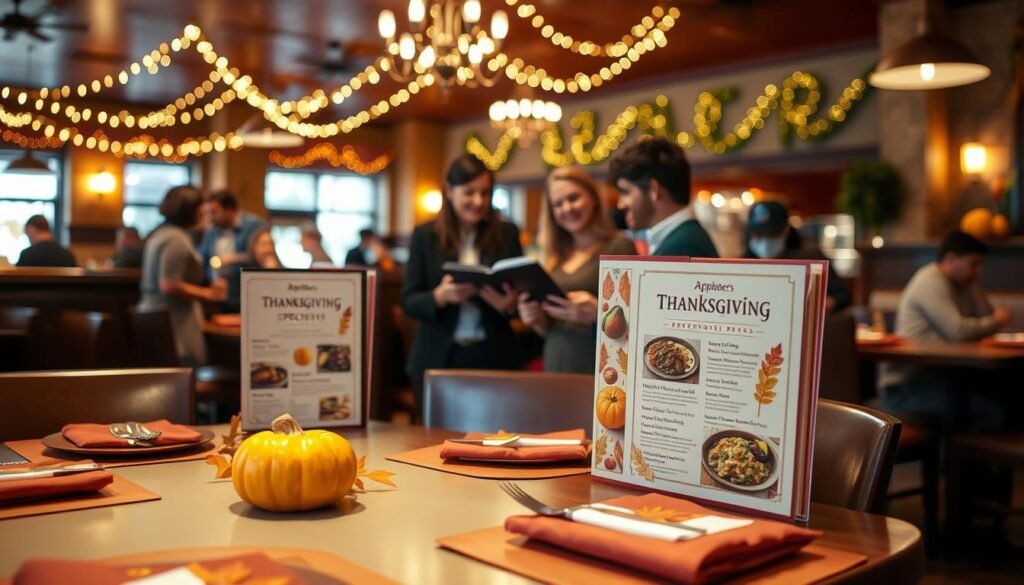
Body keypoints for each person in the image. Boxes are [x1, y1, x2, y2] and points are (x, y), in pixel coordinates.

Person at [401, 154, 524, 417]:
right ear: (448, 190)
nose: (478, 202)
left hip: (493, 354)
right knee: (432, 441)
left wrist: (509, 306)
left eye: (485, 193)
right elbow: (409, 300)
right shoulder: (425, 236)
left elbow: (520, 298)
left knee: (495, 435)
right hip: (439, 355)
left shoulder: (508, 234)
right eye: (469, 193)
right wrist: (439, 297)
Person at [878, 230, 1014, 428]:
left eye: (980, 265)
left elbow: (986, 318)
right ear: (950, 259)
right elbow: (958, 331)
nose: (978, 271)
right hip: (907, 386)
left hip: (942, 378)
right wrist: (996, 321)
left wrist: (974, 283)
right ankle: (957, 458)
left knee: (1004, 398)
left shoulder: (962, 284)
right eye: (973, 264)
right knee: (991, 409)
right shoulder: (930, 281)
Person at [517, 166, 636, 373]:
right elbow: (549, 327)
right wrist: (535, 320)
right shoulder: (555, 258)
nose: (567, 208)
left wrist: (600, 313)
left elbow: (639, 321)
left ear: (593, 198)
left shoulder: (619, 247)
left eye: (573, 198)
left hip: (600, 367)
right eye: (558, 204)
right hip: (555, 361)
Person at [139, 186, 227, 367]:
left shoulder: (160, 234)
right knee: (183, 380)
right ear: (190, 210)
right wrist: (209, 294)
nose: (204, 213)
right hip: (174, 322)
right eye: (201, 208)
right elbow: (169, 284)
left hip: (155, 317)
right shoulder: (176, 239)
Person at [609, 137, 718, 258]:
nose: (620, 204)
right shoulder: (683, 238)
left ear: (653, 189)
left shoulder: (681, 247)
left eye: (626, 192)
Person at [744, 201, 851, 312]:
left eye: (772, 234)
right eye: (759, 235)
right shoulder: (741, 264)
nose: (765, 242)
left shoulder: (812, 258)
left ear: (786, 230)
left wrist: (817, 306)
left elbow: (842, 296)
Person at [197, 190, 266, 312]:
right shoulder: (211, 231)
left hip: (247, 294)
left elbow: (263, 257)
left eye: (214, 212)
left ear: (230, 210)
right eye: (207, 213)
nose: (210, 218)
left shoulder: (255, 225)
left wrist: (234, 258)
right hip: (219, 296)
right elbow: (205, 258)